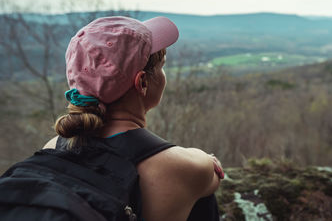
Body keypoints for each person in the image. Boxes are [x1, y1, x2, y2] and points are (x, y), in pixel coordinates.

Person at [43, 16, 224, 221]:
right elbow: (212, 172)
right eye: (161, 66)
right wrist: (204, 160)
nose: (163, 75)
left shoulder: (52, 148)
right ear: (142, 82)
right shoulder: (179, 167)